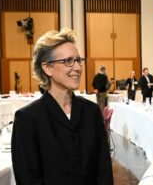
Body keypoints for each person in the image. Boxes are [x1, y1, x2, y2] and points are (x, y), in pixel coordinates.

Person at [11, 28, 113, 184]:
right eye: (68, 61)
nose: (78, 68)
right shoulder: (28, 118)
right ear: (47, 68)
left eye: (78, 60)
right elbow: (28, 179)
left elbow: (104, 169)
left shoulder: (91, 111)